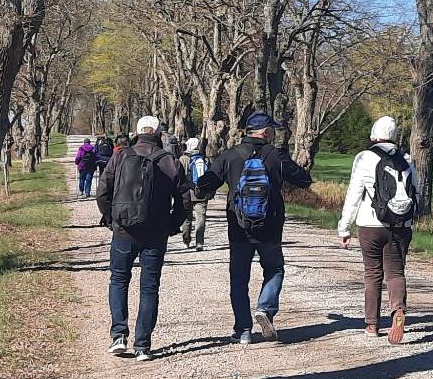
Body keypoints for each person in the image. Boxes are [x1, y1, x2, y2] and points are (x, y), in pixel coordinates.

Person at [197, 110, 312, 344]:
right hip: (270, 227)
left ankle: (243, 331)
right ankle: (265, 309)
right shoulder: (276, 156)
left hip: (238, 227)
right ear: (266, 131)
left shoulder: (231, 155)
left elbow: (205, 184)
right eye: (272, 130)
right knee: (275, 269)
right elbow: (303, 179)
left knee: (239, 278)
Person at [94, 115, 191, 361]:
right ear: (159, 134)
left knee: (118, 280)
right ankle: (142, 346)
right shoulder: (170, 161)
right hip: (156, 233)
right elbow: (184, 201)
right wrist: (172, 225)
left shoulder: (120, 156)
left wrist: (111, 218)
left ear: (137, 132)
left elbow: (102, 191)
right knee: (149, 287)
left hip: (123, 230)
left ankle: (118, 335)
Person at [337, 116, 417, 343]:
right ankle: (398, 311)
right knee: (396, 273)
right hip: (400, 225)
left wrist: (344, 228)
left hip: (370, 225)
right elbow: (417, 193)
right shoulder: (407, 159)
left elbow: (353, 195)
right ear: (394, 136)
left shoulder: (364, 158)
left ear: (374, 135)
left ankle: (372, 325)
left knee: (372, 273)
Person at [181, 136, 213, 251]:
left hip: (187, 192)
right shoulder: (205, 160)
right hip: (201, 193)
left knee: (187, 217)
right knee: (201, 218)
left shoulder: (183, 159)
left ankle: (186, 240)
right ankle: (199, 242)